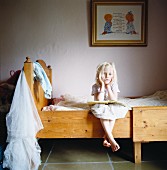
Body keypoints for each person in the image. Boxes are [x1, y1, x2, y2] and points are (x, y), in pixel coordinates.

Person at [91, 62, 120, 152]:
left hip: (111, 105)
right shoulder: (96, 86)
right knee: (103, 111)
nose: (107, 76)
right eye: (104, 73)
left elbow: (114, 99)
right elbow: (98, 100)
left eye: (110, 74)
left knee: (113, 112)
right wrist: (103, 86)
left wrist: (108, 87)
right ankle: (111, 140)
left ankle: (106, 138)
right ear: (99, 75)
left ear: (113, 76)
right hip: (100, 105)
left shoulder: (113, 86)